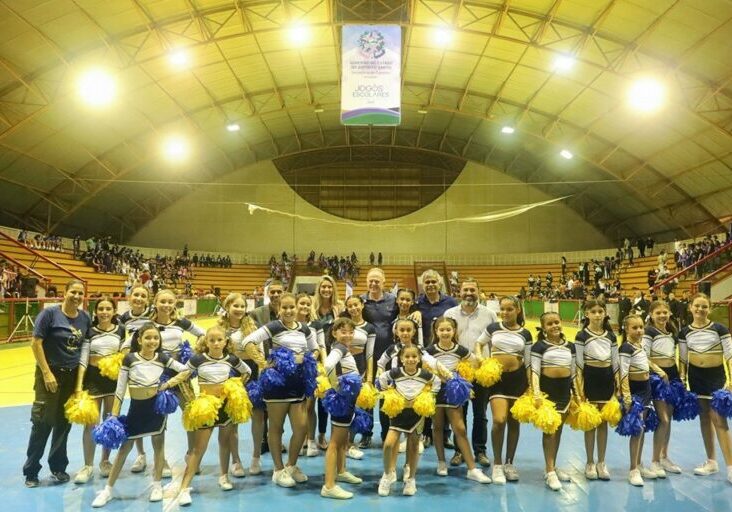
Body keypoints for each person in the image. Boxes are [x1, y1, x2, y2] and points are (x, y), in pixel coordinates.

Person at [91, 323, 191, 507]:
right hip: (136, 409)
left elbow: (185, 370)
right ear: (139, 340)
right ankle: (108, 490)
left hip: (156, 409)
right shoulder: (129, 359)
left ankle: (157, 485)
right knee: (124, 449)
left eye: (155, 338)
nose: (152, 341)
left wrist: (167, 384)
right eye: (148, 338)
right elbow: (120, 389)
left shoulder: (162, 358)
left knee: (159, 446)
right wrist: (114, 414)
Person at [242, 293, 320, 488]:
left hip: (298, 384)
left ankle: (291, 465)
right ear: (279, 310)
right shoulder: (274, 326)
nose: (288, 311)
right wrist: (263, 363)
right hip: (277, 384)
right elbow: (248, 342)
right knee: (277, 427)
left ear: (297, 308)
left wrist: (308, 358)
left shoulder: (304, 328)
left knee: (301, 427)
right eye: (284, 307)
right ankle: (278, 470)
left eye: (292, 307)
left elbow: (316, 349)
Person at [23, 279, 91, 488]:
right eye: (73, 292)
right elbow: (36, 343)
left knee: (63, 423)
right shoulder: (50, 314)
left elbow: (85, 348)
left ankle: (58, 467)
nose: (77, 296)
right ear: (65, 292)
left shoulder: (85, 318)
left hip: (71, 377)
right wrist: (46, 373)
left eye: (80, 293)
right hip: (49, 375)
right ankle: (31, 471)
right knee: (42, 422)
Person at [176, 326, 252, 506]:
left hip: (225, 406)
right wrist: (190, 398)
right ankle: (184, 488)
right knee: (198, 448)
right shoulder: (198, 359)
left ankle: (224, 476)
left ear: (226, 342)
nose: (216, 343)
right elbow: (182, 377)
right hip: (206, 407)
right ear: (206, 342)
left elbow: (247, 371)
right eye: (212, 340)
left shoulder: (231, 359)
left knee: (224, 442)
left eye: (219, 340)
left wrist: (236, 388)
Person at [474, 297, 532, 484]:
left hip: (518, 380)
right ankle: (497, 465)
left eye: (509, 309)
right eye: (502, 309)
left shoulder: (526, 333)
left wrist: (531, 386)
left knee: (514, 423)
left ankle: (509, 463)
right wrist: (481, 359)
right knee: (499, 420)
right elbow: (479, 343)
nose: (505, 313)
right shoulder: (493, 328)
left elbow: (529, 361)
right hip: (497, 380)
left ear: (518, 310)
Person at [426, 317, 491, 484]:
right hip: (436, 390)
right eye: (441, 330)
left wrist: (464, 375)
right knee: (438, 427)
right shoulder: (430, 350)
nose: (445, 333)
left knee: (460, 428)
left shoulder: (460, 350)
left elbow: (475, 362)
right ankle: (441, 462)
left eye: (448, 329)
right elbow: (424, 367)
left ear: (454, 331)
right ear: (436, 331)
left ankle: (472, 469)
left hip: (453, 391)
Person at [678, 293, 732, 484]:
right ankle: (711, 461)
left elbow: (730, 355)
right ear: (690, 307)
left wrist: (731, 380)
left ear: (710, 309)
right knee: (704, 418)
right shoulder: (684, 332)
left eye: (704, 306)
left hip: (716, 377)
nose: (700, 309)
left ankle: (730, 467)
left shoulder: (720, 329)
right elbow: (683, 359)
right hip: (696, 378)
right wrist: (682, 380)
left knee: (719, 420)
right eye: (697, 306)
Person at [444, 278, 497, 467]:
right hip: (458, 372)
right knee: (459, 414)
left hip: (481, 372)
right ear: (459, 292)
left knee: (480, 414)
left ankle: (480, 451)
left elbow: (494, 342)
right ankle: (459, 451)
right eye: (465, 290)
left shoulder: (490, 314)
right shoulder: (450, 314)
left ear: (478, 291)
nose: (468, 293)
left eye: (472, 290)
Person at [73, 297, 126, 484]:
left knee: (110, 421)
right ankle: (88, 465)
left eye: (108, 308)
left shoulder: (120, 330)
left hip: (113, 381)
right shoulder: (90, 331)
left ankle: (105, 461)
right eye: (101, 309)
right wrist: (78, 386)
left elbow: (123, 356)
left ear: (114, 311)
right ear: (95, 312)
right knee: (91, 424)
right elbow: (83, 359)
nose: (104, 312)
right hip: (92, 380)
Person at [377, 346, 440, 497]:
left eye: (414, 357)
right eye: (407, 356)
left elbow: (437, 381)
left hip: (416, 415)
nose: (411, 359)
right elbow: (382, 378)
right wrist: (390, 393)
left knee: (413, 446)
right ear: (401, 359)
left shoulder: (424, 374)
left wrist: (429, 396)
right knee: (388, 444)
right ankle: (387, 475)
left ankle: (411, 479)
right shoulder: (396, 372)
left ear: (419, 359)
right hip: (398, 414)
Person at [530, 312, 579, 491]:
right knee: (549, 432)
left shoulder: (570, 346)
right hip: (547, 393)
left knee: (558, 431)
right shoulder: (539, 346)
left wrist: (577, 394)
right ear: (543, 328)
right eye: (549, 324)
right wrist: (537, 393)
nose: (554, 326)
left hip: (565, 393)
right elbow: (535, 371)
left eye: (556, 322)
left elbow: (573, 373)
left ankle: (552, 466)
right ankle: (550, 472)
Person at [320, 317, 363, 499]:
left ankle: (341, 471)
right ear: (334, 333)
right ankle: (329, 486)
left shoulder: (343, 347)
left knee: (343, 439)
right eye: (343, 332)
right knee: (335, 442)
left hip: (348, 399)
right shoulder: (339, 347)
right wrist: (336, 386)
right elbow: (328, 365)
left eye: (350, 332)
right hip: (343, 399)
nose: (348, 335)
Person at [574, 299, 618, 481]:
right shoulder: (581, 336)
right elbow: (578, 364)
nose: (598, 315)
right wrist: (580, 389)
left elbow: (615, 363)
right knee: (590, 422)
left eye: (600, 311)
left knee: (603, 423)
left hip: (607, 379)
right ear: (587, 314)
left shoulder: (611, 336)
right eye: (593, 312)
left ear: (605, 313)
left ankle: (601, 462)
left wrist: (617, 386)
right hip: (590, 379)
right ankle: (590, 462)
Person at [225, 293, 266, 476]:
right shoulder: (220, 328)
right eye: (236, 306)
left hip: (253, 372)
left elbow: (261, 352)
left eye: (242, 306)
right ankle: (235, 460)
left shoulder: (253, 327)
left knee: (258, 416)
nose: (239, 309)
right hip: (232, 374)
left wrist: (262, 371)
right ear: (227, 307)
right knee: (233, 418)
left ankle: (256, 457)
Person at [642, 300, 682, 477]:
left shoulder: (672, 332)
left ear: (669, 313)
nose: (662, 315)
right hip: (657, 377)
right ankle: (654, 461)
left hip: (673, 376)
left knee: (669, 419)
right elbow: (643, 356)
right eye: (658, 313)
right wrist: (659, 372)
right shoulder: (649, 332)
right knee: (663, 419)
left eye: (665, 312)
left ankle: (664, 456)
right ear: (651, 315)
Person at [118, 285, 154, 472]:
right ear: (129, 297)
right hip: (135, 368)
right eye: (136, 295)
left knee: (157, 411)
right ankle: (141, 455)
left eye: (143, 295)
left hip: (154, 365)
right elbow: (122, 341)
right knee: (137, 409)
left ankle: (161, 457)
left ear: (148, 299)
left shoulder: (153, 314)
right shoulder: (123, 318)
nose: (139, 298)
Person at [619, 314, 654, 486]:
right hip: (635, 391)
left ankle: (639, 464)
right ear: (626, 329)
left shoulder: (640, 345)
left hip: (646, 389)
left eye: (641, 327)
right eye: (635, 328)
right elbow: (623, 373)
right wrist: (627, 396)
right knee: (637, 429)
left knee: (642, 428)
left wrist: (660, 371)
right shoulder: (625, 348)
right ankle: (633, 469)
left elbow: (646, 362)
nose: (639, 330)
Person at [311, 276, 343, 450]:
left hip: (336, 356)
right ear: (319, 289)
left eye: (329, 287)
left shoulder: (339, 307)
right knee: (322, 396)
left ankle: (336, 435)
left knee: (336, 395)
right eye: (323, 286)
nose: (326, 290)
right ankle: (321, 434)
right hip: (317, 357)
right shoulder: (312, 308)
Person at [342, 295, 376, 452]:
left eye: (356, 304)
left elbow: (369, 354)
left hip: (361, 369)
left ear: (362, 305)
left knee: (364, 405)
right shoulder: (343, 324)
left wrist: (369, 379)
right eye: (350, 306)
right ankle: (347, 439)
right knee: (347, 405)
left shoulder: (369, 328)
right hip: (344, 369)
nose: (353, 308)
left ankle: (365, 434)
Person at [416, 269, 458, 346]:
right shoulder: (417, 302)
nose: (430, 284)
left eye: (433, 282)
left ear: (439, 284)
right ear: (423, 285)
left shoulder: (451, 302)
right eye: (427, 282)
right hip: (425, 347)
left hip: (446, 346)